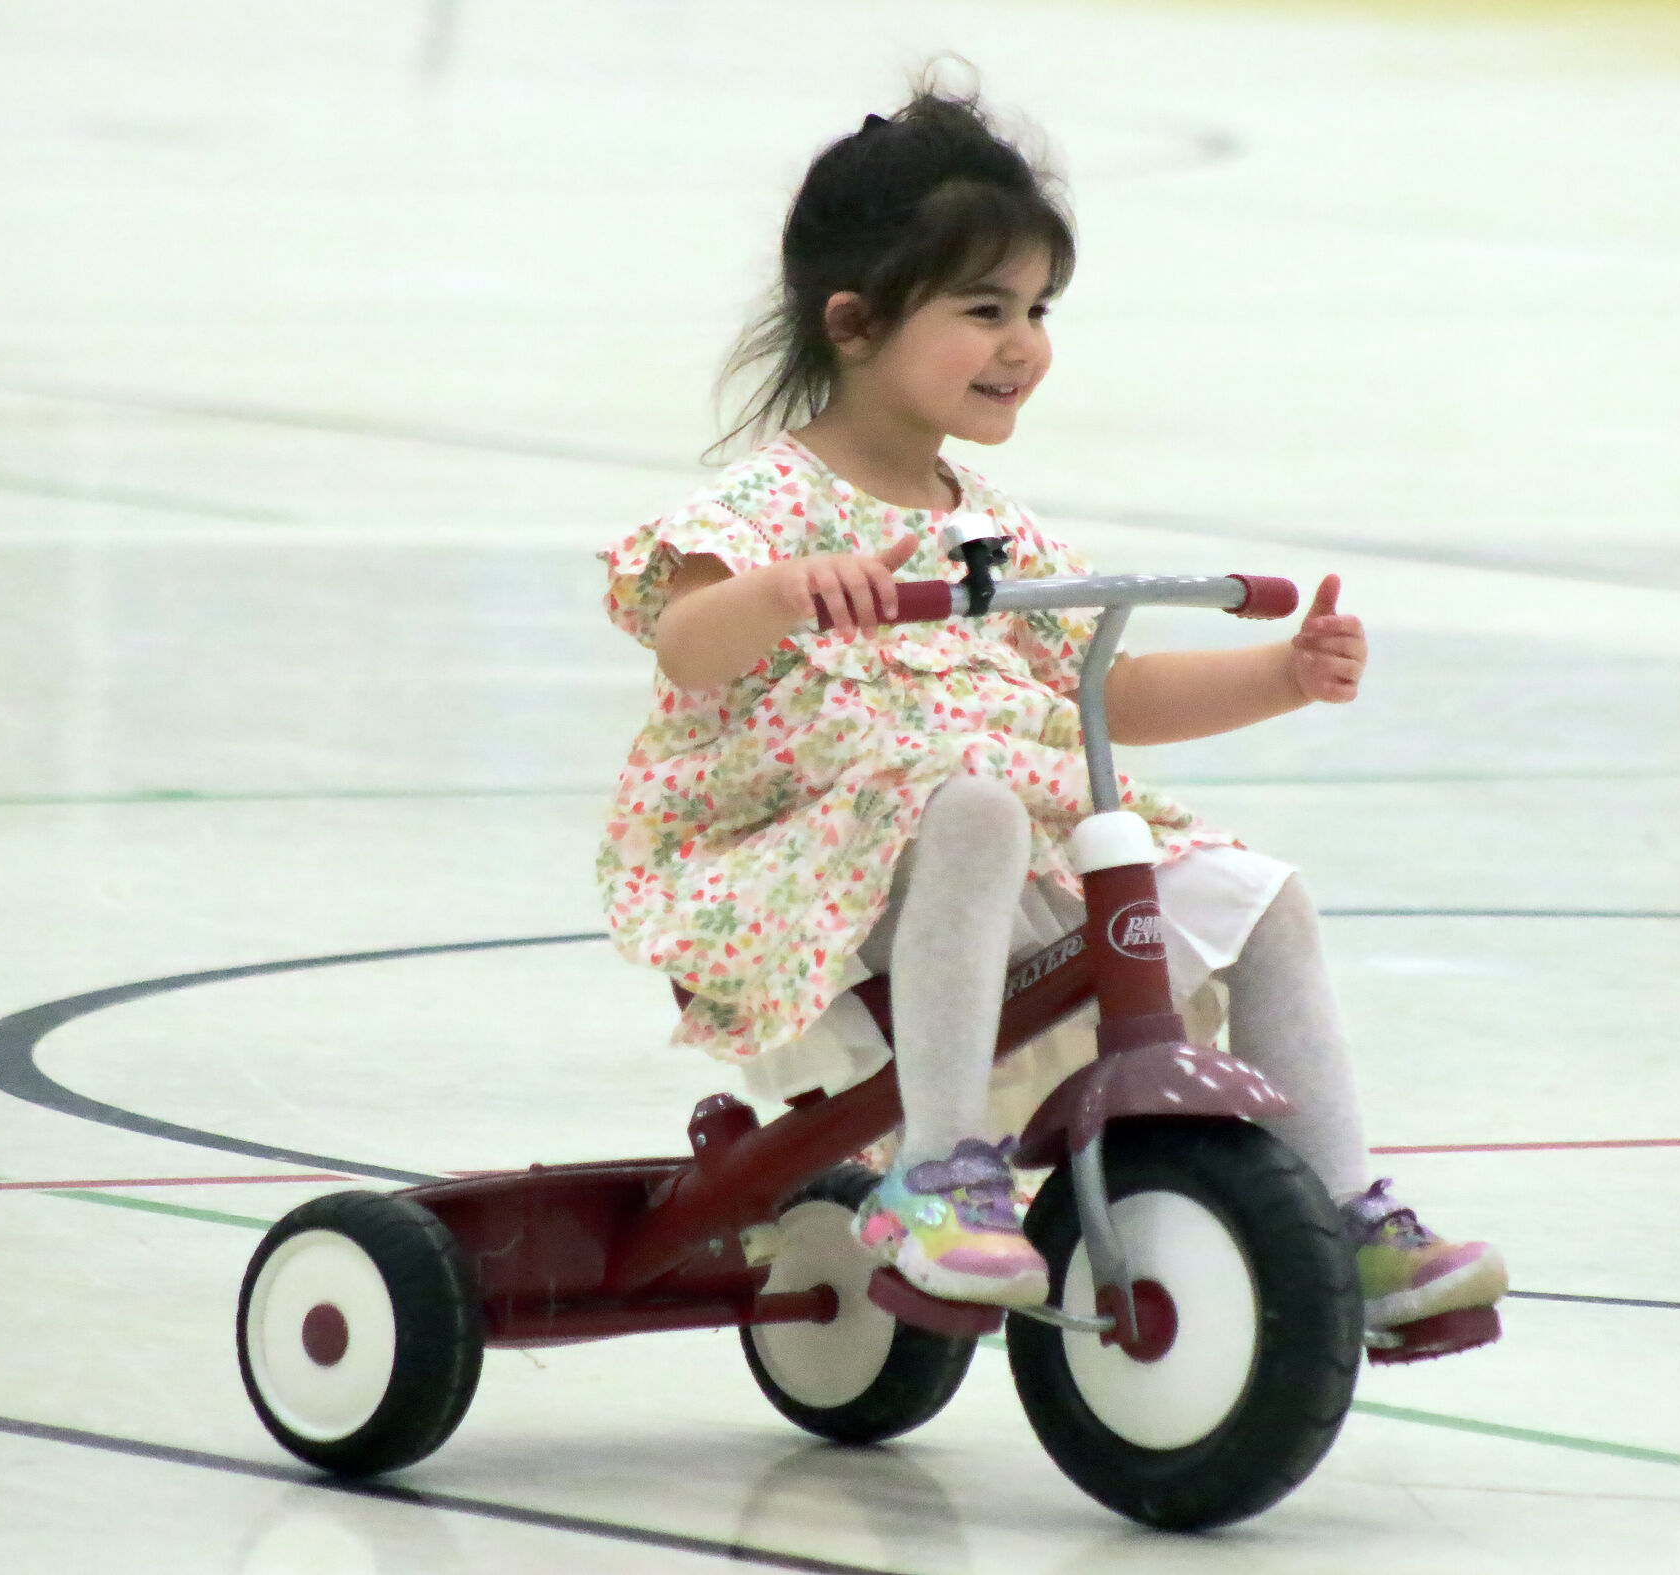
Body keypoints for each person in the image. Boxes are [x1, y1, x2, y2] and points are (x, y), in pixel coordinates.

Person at [599, 84, 1506, 1344]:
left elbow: (1105, 693)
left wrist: (1280, 677)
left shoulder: (989, 523)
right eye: (983, 311)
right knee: (969, 804)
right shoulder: (762, 508)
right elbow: (688, 645)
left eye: (1036, 310)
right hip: (807, 877)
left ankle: (1341, 1215)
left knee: (1258, 896)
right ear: (853, 322)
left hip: (985, 852)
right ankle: (935, 1177)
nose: (1022, 342)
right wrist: (782, 592)